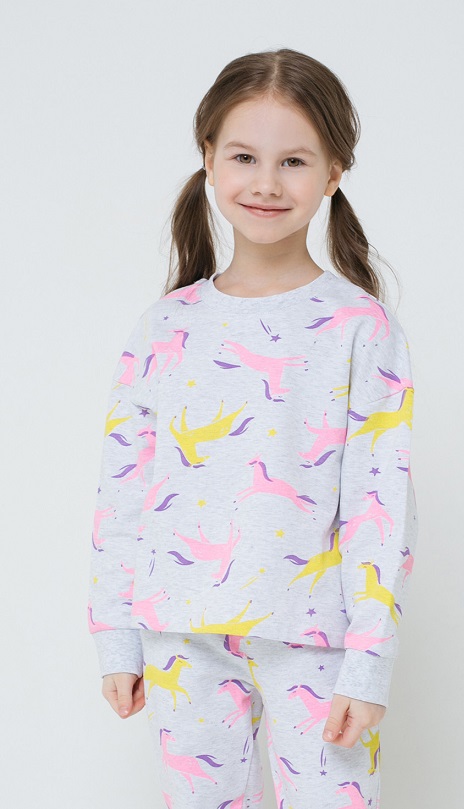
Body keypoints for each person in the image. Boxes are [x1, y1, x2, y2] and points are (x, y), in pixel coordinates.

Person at [87, 47, 419, 809]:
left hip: (315, 635)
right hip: (178, 628)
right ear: (209, 158)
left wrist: (368, 661)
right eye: (244, 156)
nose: (266, 182)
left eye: (293, 161)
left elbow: (382, 503)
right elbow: (124, 489)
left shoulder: (360, 326)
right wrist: (117, 633)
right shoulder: (165, 326)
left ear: (333, 172)